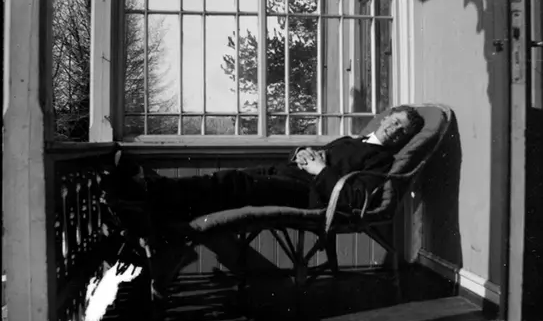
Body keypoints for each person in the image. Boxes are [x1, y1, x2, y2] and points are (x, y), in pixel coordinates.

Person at [108, 107, 424, 220]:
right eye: (394, 121)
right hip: (288, 174)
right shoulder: (352, 141)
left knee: (236, 183)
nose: (395, 129)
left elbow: (355, 199)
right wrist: (302, 154)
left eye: (403, 131)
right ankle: (155, 197)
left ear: (404, 139)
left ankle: (148, 192)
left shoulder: (381, 160)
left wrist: (319, 170)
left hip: (309, 195)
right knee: (228, 178)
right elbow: (317, 156)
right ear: (385, 118)